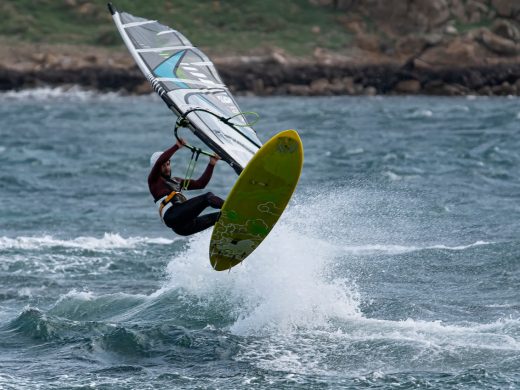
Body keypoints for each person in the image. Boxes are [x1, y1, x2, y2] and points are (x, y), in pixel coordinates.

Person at [148, 138, 224, 236]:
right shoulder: (154, 181)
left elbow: (201, 184)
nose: (167, 168)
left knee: (219, 217)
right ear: (157, 168)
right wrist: (177, 146)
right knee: (207, 197)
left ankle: (237, 229)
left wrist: (211, 164)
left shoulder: (176, 181)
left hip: (184, 227)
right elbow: (159, 162)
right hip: (172, 216)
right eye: (163, 166)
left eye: (168, 164)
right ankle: (233, 208)